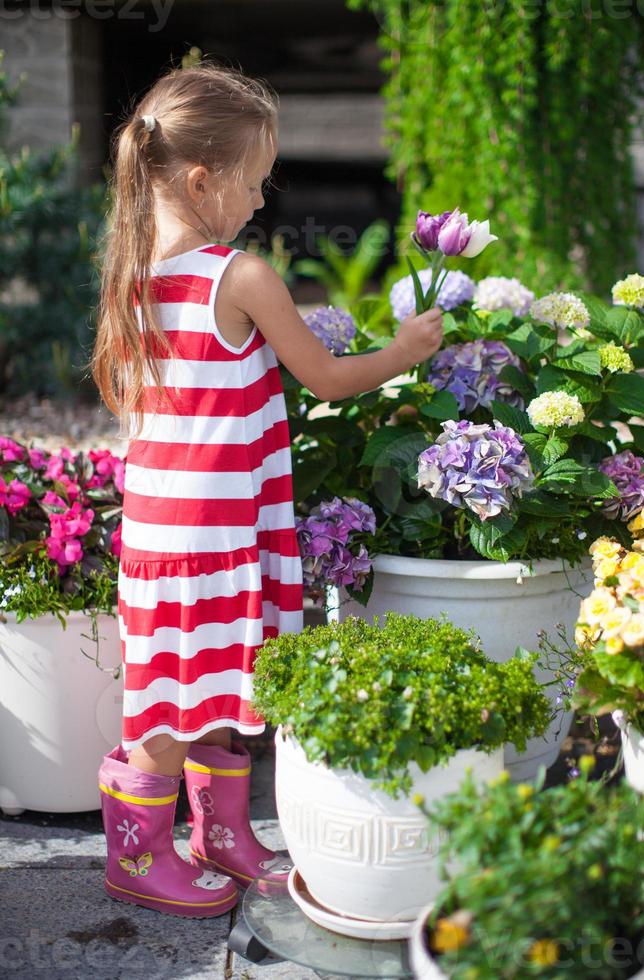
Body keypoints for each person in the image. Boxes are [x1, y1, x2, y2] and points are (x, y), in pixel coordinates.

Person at [91, 61, 443, 918]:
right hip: (211, 530)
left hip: (168, 526)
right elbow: (324, 378)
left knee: (197, 674)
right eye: (252, 184)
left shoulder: (132, 271)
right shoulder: (237, 277)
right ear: (205, 180)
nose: (258, 203)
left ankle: (218, 834)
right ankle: (137, 855)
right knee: (172, 704)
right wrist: (404, 350)